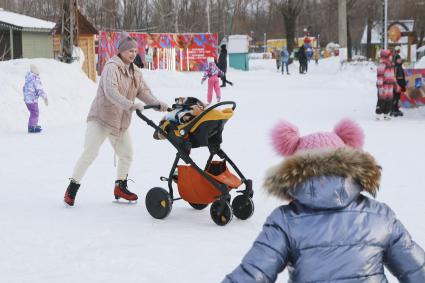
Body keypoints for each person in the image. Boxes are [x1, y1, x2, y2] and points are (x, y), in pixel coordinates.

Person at [222, 119, 425, 283]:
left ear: (295, 172)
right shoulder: (381, 216)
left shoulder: (285, 221)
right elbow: (417, 270)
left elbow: (252, 274)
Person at [64, 32, 168, 206]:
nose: (133, 54)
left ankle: (120, 187)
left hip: (120, 122)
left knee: (127, 154)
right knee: (90, 153)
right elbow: (111, 92)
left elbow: (143, 91)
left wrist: (157, 103)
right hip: (101, 118)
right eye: (129, 51)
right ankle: (71, 189)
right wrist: (130, 104)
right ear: (121, 51)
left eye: (135, 50)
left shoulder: (135, 71)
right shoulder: (111, 67)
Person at [22, 64, 48, 133]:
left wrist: (26, 97)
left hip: (28, 100)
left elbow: (24, 88)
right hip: (32, 100)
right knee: (35, 113)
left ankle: (33, 125)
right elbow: (39, 89)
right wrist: (44, 97)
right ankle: (31, 127)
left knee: (33, 112)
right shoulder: (35, 78)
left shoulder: (28, 78)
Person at [376, 49, 396, 120]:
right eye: (390, 56)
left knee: (389, 100)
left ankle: (386, 114)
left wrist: (395, 83)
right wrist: (380, 87)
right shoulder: (382, 65)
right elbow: (380, 76)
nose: (391, 57)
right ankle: (378, 114)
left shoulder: (390, 65)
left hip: (390, 86)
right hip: (383, 86)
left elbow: (392, 75)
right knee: (382, 100)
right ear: (386, 56)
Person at [391, 46, 406, 117]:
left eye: (400, 59)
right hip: (396, 84)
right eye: (398, 59)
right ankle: (393, 109)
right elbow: (394, 77)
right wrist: (396, 85)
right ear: (396, 60)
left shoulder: (400, 66)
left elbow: (402, 77)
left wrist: (403, 85)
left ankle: (396, 109)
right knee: (395, 97)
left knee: (398, 97)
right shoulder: (395, 67)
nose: (400, 60)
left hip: (400, 84)